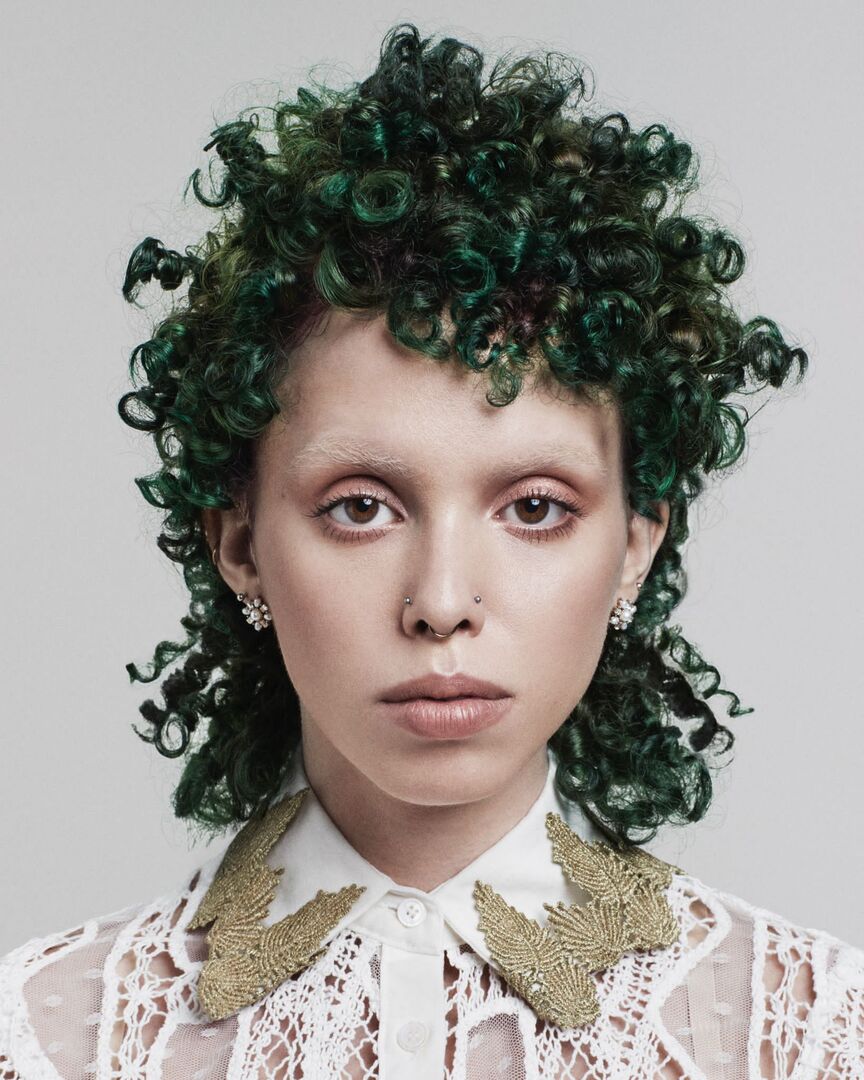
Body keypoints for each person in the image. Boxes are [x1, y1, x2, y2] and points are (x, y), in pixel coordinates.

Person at [1, 21, 861, 1080]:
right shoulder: (43, 1038)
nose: (442, 601)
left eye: (535, 507)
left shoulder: (813, 1034)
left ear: (637, 544)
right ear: (240, 544)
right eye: (361, 508)